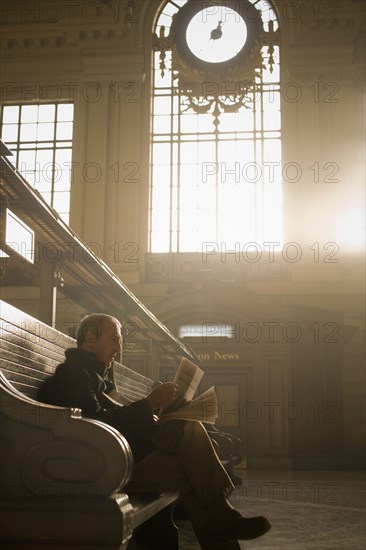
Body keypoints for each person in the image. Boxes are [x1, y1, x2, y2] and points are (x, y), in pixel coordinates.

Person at [37, 313, 271, 549]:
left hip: (123, 458)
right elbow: (94, 424)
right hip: (104, 468)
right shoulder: (73, 374)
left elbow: (116, 418)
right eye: (114, 339)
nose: (119, 347)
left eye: (120, 341)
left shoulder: (99, 376)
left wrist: (163, 411)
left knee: (188, 430)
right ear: (90, 336)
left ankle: (224, 517)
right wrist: (148, 404)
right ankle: (225, 517)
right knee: (194, 473)